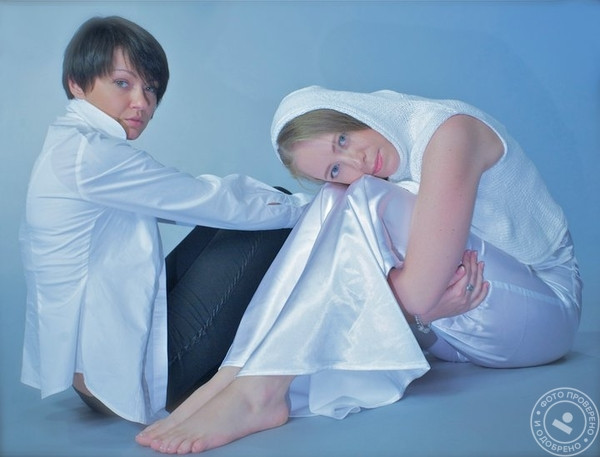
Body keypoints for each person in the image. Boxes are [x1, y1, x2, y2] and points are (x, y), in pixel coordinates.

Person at [136, 85, 582, 454]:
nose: (357, 163)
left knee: (364, 195)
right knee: (335, 197)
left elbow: (420, 295)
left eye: (343, 141)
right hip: (455, 321)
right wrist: (416, 311)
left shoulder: (449, 133)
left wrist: (415, 305)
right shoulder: (374, 175)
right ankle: (235, 375)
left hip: (541, 307)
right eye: (336, 166)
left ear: (354, 114)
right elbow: (417, 302)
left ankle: (261, 390)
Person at [18, 16, 310, 425]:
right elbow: (207, 199)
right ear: (77, 84)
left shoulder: (70, 143)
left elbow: (200, 204)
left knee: (240, 216)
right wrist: (316, 208)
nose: (142, 102)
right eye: (123, 83)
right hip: (130, 382)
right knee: (269, 215)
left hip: (96, 381)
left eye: (151, 88)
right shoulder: (92, 156)